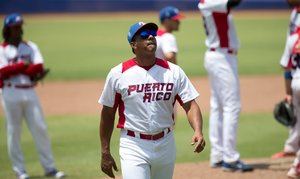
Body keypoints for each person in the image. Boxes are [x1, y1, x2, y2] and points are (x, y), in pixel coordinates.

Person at [99, 21, 205, 179]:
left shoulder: (173, 71)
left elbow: (190, 105)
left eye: (153, 34)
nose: (150, 37)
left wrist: (198, 130)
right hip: (133, 145)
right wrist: (105, 151)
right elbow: (107, 113)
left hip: (165, 143)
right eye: (144, 35)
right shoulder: (118, 74)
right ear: (133, 44)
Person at [0, 13, 65, 179]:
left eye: (20, 26)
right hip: (10, 92)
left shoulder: (30, 46)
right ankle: (20, 170)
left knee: (40, 128)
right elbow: (2, 72)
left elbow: (38, 67)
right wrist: (23, 65)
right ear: (8, 29)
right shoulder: (2, 49)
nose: (19, 29)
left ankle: (50, 168)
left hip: (29, 91)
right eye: (16, 27)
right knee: (14, 131)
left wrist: (16, 68)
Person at [198, 0, 253, 172]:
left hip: (220, 57)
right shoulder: (210, 2)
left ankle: (218, 155)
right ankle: (229, 157)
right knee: (232, 106)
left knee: (218, 106)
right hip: (222, 58)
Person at [272, 0, 300, 159]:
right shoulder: (295, 12)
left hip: (294, 71)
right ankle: (292, 148)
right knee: (296, 110)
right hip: (295, 68)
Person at [278, 23, 300, 178]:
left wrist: (288, 93)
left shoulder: (293, 38)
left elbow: (287, 68)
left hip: (295, 83)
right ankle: (297, 166)